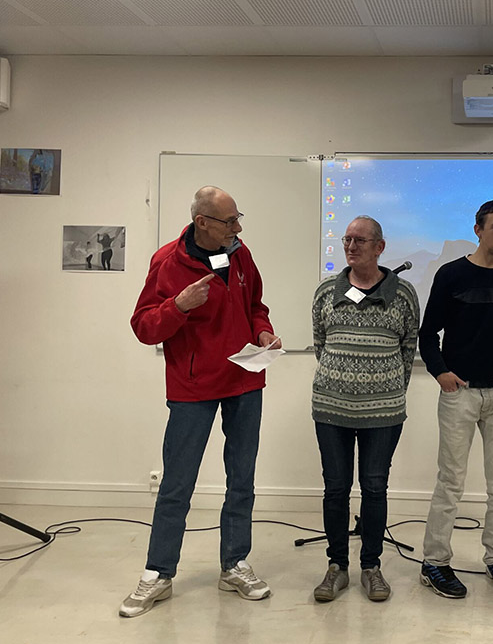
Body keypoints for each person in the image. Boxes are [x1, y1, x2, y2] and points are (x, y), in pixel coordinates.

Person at [121, 186, 281, 618]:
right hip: (193, 387)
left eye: (238, 218)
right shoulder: (167, 262)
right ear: (202, 222)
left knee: (242, 478)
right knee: (177, 482)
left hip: (244, 378)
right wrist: (179, 305)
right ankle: (158, 573)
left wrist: (263, 331)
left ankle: (235, 564)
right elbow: (144, 327)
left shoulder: (241, 255)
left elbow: (256, 306)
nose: (238, 228)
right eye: (230, 221)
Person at [418, 199, 493, 598]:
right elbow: (428, 333)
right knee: (450, 481)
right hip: (460, 393)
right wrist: (440, 372)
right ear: (478, 230)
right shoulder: (451, 274)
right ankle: (435, 562)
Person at [309, 216, 420, 603]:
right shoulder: (326, 291)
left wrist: (385, 389)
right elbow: (320, 343)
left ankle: (371, 567)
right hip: (331, 410)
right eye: (347, 240)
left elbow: (408, 349)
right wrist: (343, 379)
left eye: (360, 240)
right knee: (335, 489)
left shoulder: (403, 294)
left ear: (380, 247)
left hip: (383, 413)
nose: (351, 247)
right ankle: (337, 566)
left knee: (374, 488)